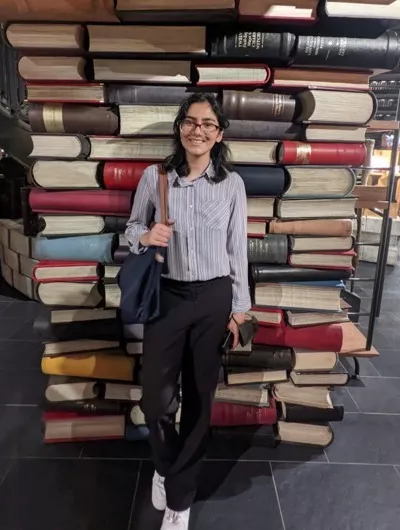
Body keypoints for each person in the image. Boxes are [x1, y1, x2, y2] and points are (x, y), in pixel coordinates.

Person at [125, 92, 251, 530]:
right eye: (190, 122)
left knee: (200, 399)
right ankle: (165, 464)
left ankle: (180, 497)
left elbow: (238, 250)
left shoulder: (231, 184)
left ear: (219, 135)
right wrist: (146, 235)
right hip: (168, 296)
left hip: (214, 298)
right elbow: (130, 228)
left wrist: (240, 310)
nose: (198, 130)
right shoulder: (154, 178)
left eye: (208, 124)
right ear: (180, 127)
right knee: (156, 399)